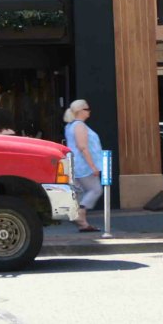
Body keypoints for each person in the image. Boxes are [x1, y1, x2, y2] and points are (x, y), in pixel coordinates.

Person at [64, 99, 104, 232]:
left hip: (74, 164)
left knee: (81, 192)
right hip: (83, 165)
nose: (89, 112)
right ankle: (80, 214)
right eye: (87, 109)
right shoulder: (79, 125)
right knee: (95, 189)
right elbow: (83, 147)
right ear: (80, 111)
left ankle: (84, 224)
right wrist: (93, 166)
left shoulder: (69, 126)